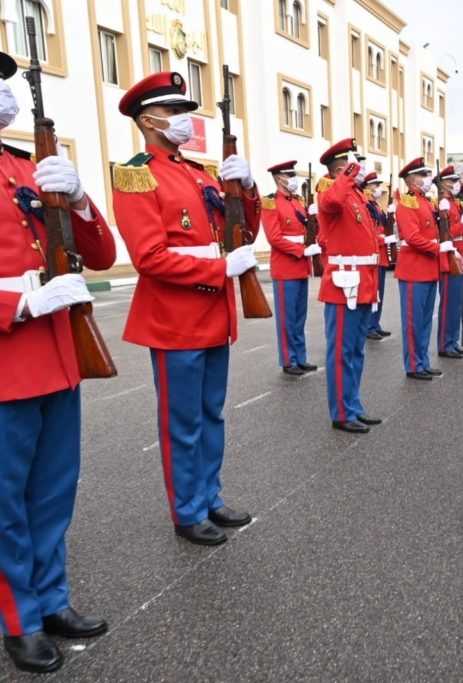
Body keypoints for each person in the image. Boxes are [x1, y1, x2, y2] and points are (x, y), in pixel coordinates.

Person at [0, 51, 114, 673]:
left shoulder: (25, 166)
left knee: (51, 495)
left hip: (58, 357)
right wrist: (18, 301)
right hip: (7, 359)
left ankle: (51, 600)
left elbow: (100, 254)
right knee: (4, 503)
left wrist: (80, 199)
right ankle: (17, 620)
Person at [113, 71, 258, 547]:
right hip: (174, 321)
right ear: (148, 119)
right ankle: (187, 510)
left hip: (214, 315)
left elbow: (241, 231)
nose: (184, 121)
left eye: (184, 112)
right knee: (183, 421)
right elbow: (149, 258)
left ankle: (210, 495)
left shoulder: (201, 173)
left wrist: (248, 190)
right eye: (175, 113)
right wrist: (221, 270)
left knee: (212, 414)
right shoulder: (137, 173)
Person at [316, 139, 381, 433]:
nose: (362, 168)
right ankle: (341, 412)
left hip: (363, 280)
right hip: (345, 284)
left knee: (356, 349)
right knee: (342, 350)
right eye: (356, 163)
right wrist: (347, 173)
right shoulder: (332, 190)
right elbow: (330, 202)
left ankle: (353, 404)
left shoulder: (355, 194)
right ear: (343, 169)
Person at [394, 157, 453, 380]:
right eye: (424, 175)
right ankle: (413, 365)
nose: (429, 179)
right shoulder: (408, 202)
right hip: (414, 269)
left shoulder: (427, 201)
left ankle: (423, 361)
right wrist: (438, 247)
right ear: (412, 179)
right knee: (413, 320)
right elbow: (413, 237)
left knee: (426, 319)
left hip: (429, 268)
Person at [261, 160, 320, 376]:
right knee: (287, 318)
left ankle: (300, 357)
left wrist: (315, 215)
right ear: (279, 178)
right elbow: (274, 238)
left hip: (301, 267)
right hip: (286, 266)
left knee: (299, 317)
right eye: (289, 174)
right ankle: (288, 360)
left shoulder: (297, 202)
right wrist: (301, 251)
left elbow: (309, 230)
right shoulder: (270, 203)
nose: (294, 178)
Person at [436, 165, 463, 359]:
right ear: (445, 183)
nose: (457, 184)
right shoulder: (443, 205)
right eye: (454, 181)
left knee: (456, 304)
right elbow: (445, 234)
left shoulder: (454, 204)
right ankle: (444, 344)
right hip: (449, 258)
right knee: (448, 304)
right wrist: (461, 225)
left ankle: (453, 341)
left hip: (459, 257)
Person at [362, 172, 394, 341]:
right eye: (374, 185)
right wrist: (383, 239)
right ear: (366, 187)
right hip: (373, 254)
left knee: (379, 293)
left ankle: (376, 323)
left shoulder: (376, 206)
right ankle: (368, 325)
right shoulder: (366, 206)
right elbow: (368, 233)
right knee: (372, 293)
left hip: (381, 256)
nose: (377, 188)